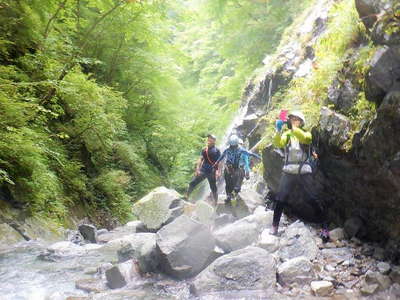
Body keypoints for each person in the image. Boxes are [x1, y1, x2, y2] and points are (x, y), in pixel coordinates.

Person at [270, 111, 329, 242]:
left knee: (313, 199)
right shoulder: (287, 134)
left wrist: (293, 128)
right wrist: (278, 130)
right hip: (289, 170)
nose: (293, 121)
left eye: (296, 119)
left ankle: (324, 226)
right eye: (291, 119)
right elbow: (279, 143)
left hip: (303, 170)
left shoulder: (306, 133)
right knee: (280, 199)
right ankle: (274, 226)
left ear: (301, 122)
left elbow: (305, 139)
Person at [215, 135, 261, 205]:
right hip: (229, 169)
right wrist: (216, 163)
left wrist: (258, 157)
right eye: (232, 146)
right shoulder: (229, 149)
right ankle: (229, 197)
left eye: (234, 146)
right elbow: (222, 157)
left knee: (234, 185)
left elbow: (248, 156)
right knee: (229, 184)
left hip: (235, 169)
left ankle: (231, 196)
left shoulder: (239, 150)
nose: (233, 148)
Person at [186, 134, 221, 205]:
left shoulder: (217, 150)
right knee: (193, 182)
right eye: (208, 138)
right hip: (203, 170)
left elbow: (219, 162)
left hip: (212, 171)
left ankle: (215, 202)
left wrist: (218, 171)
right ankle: (186, 196)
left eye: (211, 138)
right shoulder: (204, 149)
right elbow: (200, 159)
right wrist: (197, 169)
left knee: (213, 187)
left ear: (214, 141)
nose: (209, 139)